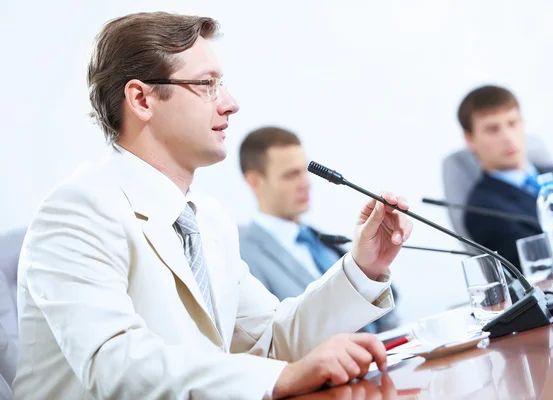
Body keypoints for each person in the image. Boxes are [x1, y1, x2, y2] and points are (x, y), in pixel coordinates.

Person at [12, 12, 413, 399]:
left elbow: (271, 340)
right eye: (207, 84)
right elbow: (114, 365)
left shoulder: (207, 218)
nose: (230, 103)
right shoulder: (77, 210)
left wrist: (363, 267)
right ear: (141, 100)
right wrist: (283, 378)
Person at [238, 126, 400, 333]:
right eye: (290, 175)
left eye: (304, 172)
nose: (305, 184)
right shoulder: (243, 256)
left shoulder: (321, 241)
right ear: (255, 181)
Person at [460, 85, 553, 271]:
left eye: (512, 123)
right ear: (470, 139)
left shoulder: (552, 173)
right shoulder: (482, 208)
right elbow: (545, 267)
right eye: (493, 129)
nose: (508, 137)